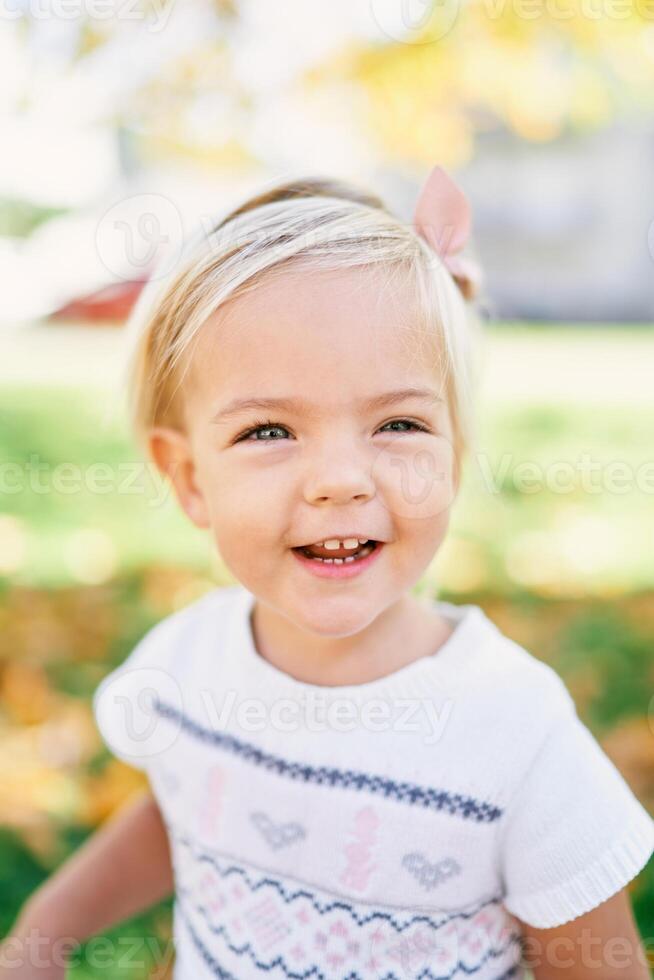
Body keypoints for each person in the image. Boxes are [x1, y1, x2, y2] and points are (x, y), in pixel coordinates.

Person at [2, 166, 653, 979]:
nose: (340, 479)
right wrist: (47, 926)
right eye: (270, 430)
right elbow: (189, 808)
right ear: (191, 478)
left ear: (454, 456)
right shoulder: (190, 663)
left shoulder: (517, 740)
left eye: (399, 423)